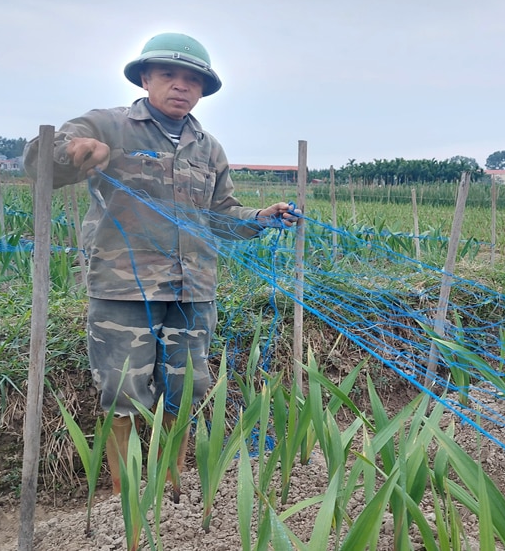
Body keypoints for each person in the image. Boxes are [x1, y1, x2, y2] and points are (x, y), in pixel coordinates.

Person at [22, 32, 299, 499]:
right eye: (168, 74)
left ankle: (172, 488)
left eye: (193, 80)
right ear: (146, 77)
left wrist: (258, 218)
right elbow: (42, 159)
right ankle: (123, 496)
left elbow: (220, 214)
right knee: (123, 395)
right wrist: (72, 153)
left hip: (193, 291)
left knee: (185, 391)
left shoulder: (207, 147)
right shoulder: (109, 125)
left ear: (203, 90)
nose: (181, 86)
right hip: (123, 290)